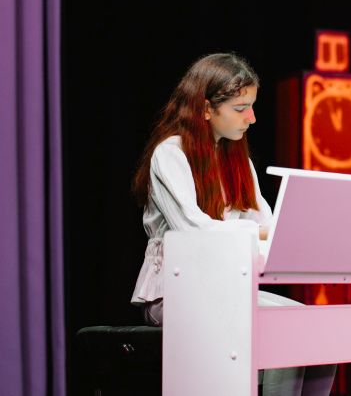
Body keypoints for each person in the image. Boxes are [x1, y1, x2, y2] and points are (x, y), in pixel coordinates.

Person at [130, 52, 336, 396]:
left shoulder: (237, 159)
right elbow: (193, 231)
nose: (251, 118)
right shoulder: (171, 154)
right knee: (286, 327)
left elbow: (266, 222)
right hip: (175, 292)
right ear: (206, 109)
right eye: (241, 108)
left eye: (251, 106)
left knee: (317, 327)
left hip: (226, 287)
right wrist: (264, 232)